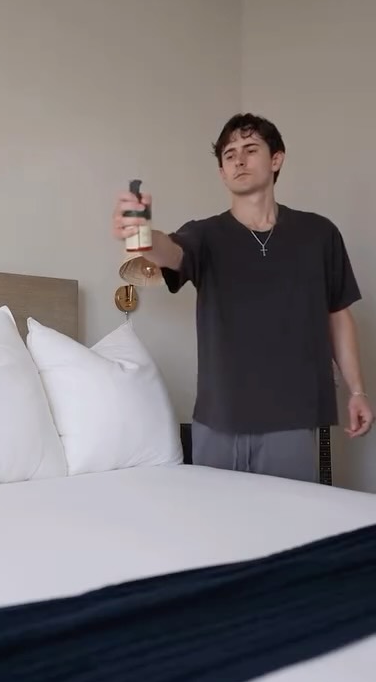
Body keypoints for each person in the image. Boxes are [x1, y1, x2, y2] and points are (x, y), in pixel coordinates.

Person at [112, 113, 372, 482]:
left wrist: (357, 391)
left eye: (250, 149)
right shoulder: (204, 234)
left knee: (289, 516)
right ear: (222, 172)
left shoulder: (319, 234)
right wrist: (142, 234)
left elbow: (338, 314)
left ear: (276, 159)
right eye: (229, 155)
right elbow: (171, 252)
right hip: (218, 419)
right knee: (216, 517)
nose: (239, 160)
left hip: (292, 418)